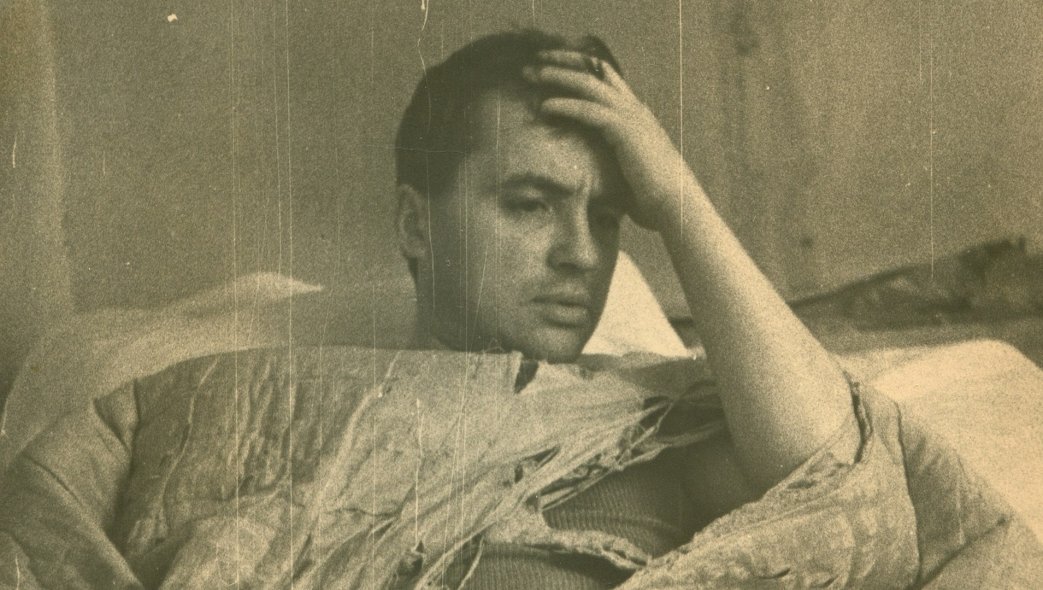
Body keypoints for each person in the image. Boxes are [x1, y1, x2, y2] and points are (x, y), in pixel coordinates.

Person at [391, 29, 859, 587]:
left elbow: (827, 472)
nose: (583, 254)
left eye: (604, 218)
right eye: (531, 205)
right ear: (415, 225)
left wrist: (674, 198)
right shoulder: (318, 416)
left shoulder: (638, 432)